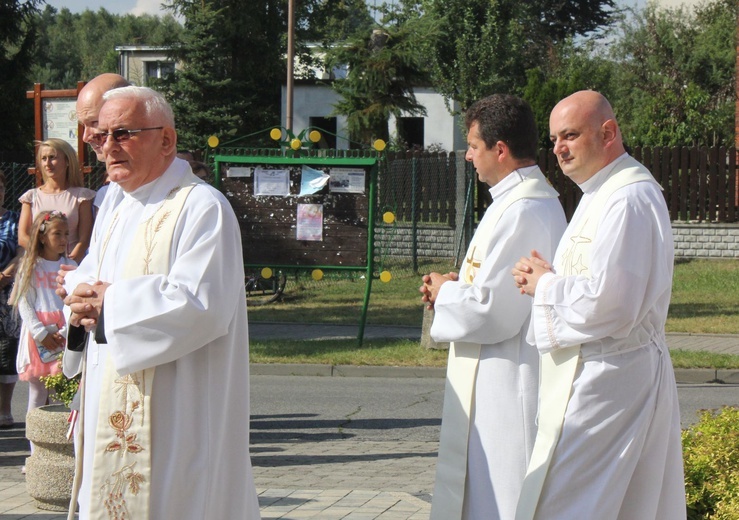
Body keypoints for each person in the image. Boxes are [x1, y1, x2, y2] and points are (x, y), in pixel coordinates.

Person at [61, 86, 260, 519]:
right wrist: (77, 299)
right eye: (100, 135)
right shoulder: (116, 204)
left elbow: (203, 305)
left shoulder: (201, 207)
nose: (108, 147)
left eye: (123, 133)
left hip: (177, 410)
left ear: (166, 140)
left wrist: (109, 305)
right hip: (110, 395)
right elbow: (88, 274)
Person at [511, 90, 685, 520]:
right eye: (554, 139)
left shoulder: (627, 198)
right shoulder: (600, 192)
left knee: (564, 502)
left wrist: (547, 286)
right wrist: (553, 278)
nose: (558, 149)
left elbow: (615, 303)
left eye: (569, 135)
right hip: (600, 372)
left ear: (608, 132)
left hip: (611, 377)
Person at [420, 94, 566, 520]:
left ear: (499, 149)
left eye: (473, 145)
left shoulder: (524, 208)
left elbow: (492, 310)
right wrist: (451, 286)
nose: (468, 156)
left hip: (507, 381)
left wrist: (447, 292)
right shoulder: (512, 201)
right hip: (493, 376)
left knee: (501, 497)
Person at [14, 212, 74, 421]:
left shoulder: (72, 267)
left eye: (67, 234)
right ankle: (36, 445)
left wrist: (64, 331)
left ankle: (62, 444)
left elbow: (74, 302)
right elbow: (25, 303)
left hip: (64, 333)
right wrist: (40, 333)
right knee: (38, 392)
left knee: (63, 390)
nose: (64, 239)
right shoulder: (31, 266)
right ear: (42, 237)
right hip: (38, 336)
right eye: (58, 234)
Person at [18, 139, 95, 264]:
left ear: (67, 161)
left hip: (71, 266)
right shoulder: (31, 197)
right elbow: (23, 237)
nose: (48, 163)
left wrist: (68, 263)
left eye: (52, 157)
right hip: (39, 266)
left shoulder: (82, 196)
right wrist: (47, 261)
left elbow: (85, 238)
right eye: (44, 158)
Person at [0, 170, 22, 428]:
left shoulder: (15, 219)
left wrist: (6, 273)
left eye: (1, 187)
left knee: (6, 352)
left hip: (8, 292)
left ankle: (5, 409)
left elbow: (23, 250)